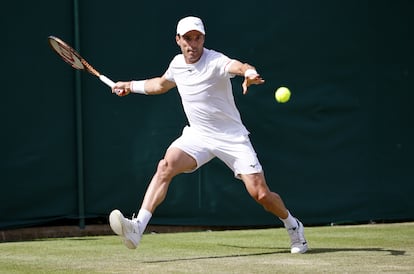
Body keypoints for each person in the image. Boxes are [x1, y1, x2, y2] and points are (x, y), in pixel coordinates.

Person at [109, 16, 308, 254]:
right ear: (178, 40)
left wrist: (249, 72)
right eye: (187, 39)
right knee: (166, 166)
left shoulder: (216, 61)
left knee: (261, 194)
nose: (193, 44)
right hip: (198, 136)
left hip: (231, 137)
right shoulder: (177, 64)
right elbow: (160, 85)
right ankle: (137, 228)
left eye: (197, 38)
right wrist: (130, 86)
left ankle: (293, 225)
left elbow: (239, 66)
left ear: (203, 39)